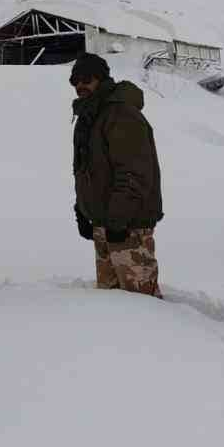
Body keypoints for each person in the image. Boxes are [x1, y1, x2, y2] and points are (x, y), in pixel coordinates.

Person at [69, 53, 163, 297]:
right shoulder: (89, 116)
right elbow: (85, 169)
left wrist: (118, 219)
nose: (80, 85)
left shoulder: (120, 114)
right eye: (75, 81)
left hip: (128, 228)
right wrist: (83, 210)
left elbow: (135, 173)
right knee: (112, 308)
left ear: (101, 79)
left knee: (142, 305)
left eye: (86, 79)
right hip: (104, 225)